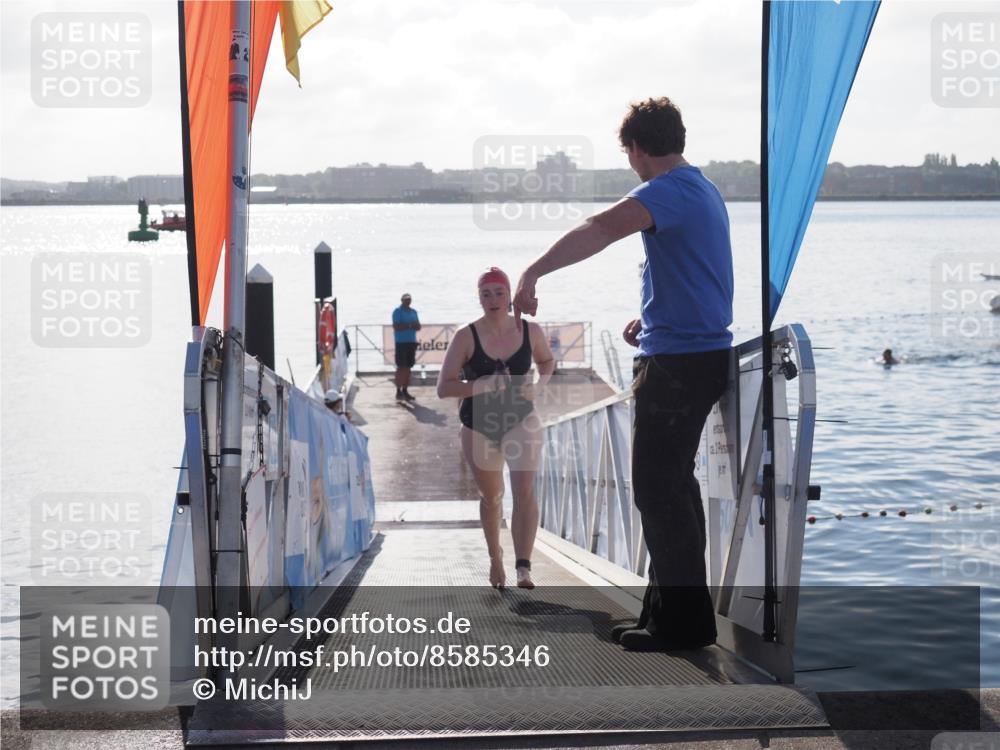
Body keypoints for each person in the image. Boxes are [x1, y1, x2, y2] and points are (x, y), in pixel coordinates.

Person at [513, 97, 733, 651]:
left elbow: (600, 228)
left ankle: (682, 624)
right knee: (671, 490)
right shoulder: (702, 189)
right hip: (690, 351)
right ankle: (667, 616)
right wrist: (652, 318)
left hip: (680, 365)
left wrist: (534, 270)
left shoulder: (668, 190)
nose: (630, 164)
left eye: (628, 153)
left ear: (637, 148)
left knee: (660, 490)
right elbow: (696, 272)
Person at [437, 268, 555, 589]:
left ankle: (523, 567)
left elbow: (547, 361)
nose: (493, 300)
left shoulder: (529, 330)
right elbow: (444, 388)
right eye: (486, 294)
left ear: (509, 296)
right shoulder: (466, 336)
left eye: (499, 293)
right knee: (492, 497)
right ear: (479, 298)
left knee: (524, 491)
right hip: (478, 425)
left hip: (521, 420)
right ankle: (495, 557)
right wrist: (482, 385)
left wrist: (538, 385)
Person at [391, 293, 421, 402]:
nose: (408, 301)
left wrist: (409, 325)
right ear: (402, 300)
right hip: (401, 343)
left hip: (411, 342)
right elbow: (397, 326)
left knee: (408, 367)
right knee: (401, 367)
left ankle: (405, 390)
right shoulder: (397, 311)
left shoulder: (413, 312)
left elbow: (418, 326)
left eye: (409, 299)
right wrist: (409, 325)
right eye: (406, 299)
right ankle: (398, 391)